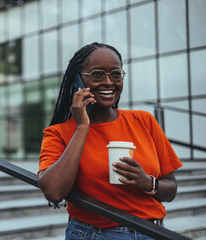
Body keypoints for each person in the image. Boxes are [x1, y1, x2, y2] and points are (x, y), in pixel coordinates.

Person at [37, 42, 183, 240]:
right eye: (97, 74)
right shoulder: (59, 133)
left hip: (153, 232)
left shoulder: (144, 120)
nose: (108, 82)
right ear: (78, 81)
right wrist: (82, 127)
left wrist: (146, 182)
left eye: (115, 74)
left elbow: (171, 190)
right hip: (95, 234)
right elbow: (54, 192)